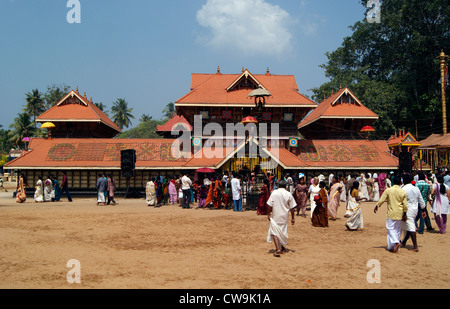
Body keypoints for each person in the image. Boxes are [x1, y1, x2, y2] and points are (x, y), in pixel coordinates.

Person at [374, 176, 408, 253]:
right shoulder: (402, 192)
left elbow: (382, 199)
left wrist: (377, 205)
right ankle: (391, 247)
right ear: (400, 183)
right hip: (399, 213)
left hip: (391, 213)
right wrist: (405, 214)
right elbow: (405, 205)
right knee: (397, 230)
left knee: (390, 228)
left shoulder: (388, 190)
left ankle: (396, 242)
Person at [266, 180, 296, 257]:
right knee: (283, 232)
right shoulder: (288, 194)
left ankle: (277, 248)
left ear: (278, 185)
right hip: (284, 217)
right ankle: (282, 249)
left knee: (274, 232)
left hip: (276, 216)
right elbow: (292, 208)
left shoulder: (274, 193)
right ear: (286, 186)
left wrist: (268, 214)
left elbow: (269, 205)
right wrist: (293, 218)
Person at [401, 174, 426, 251]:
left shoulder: (403, 189)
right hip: (415, 209)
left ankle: (415, 246)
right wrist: (423, 210)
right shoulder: (416, 188)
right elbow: (421, 200)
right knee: (409, 225)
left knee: (411, 226)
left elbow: (402, 201)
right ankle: (404, 241)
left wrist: (404, 213)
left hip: (407, 210)